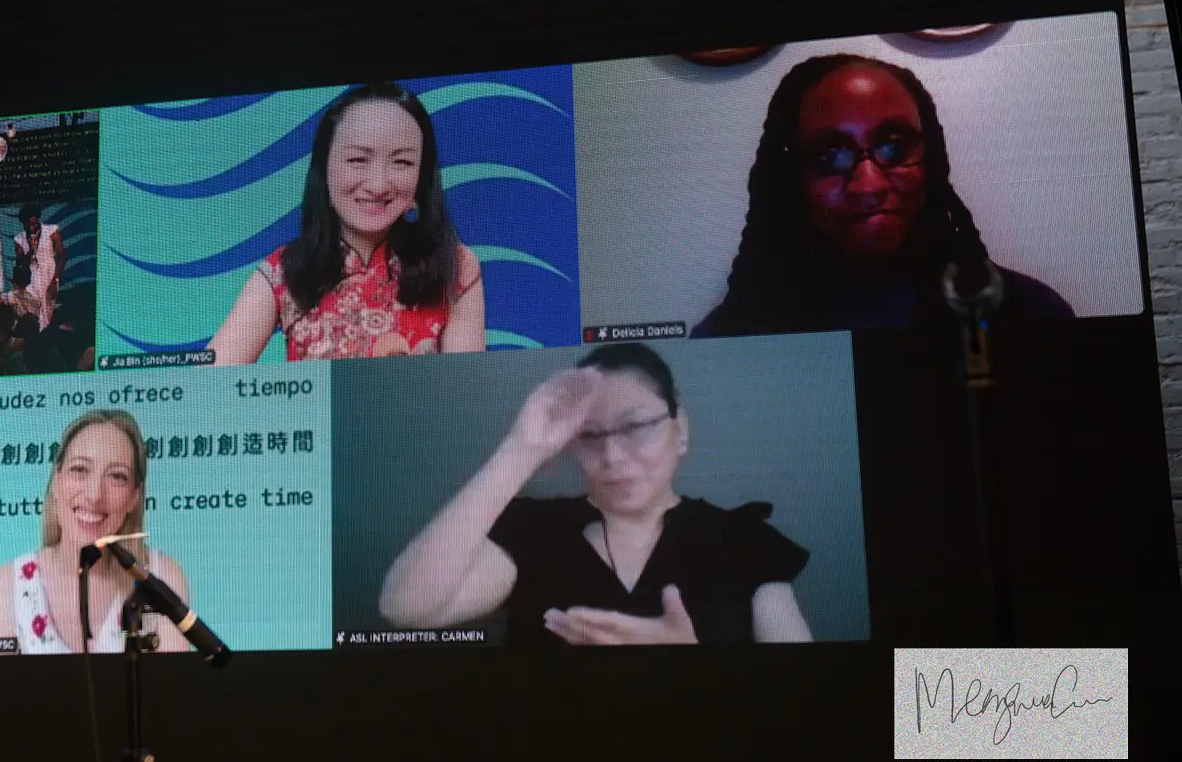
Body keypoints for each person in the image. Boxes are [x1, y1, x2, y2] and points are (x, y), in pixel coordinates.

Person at [378, 343, 813, 646]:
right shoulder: (533, 530)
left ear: (679, 429)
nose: (613, 456)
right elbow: (406, 609)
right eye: (590, 436)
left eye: (636, 427)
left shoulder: (743, 539)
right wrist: (520, 450)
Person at [693, 54, 1073, 338]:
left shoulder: (1029, 314)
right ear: (791, 178)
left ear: (932, 161)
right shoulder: (730, 337)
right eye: (831, 156)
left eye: (894, 148)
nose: (869, 185)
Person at [211, 82, 485, 363]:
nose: (378, 185)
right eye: (357, 160)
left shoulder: (455, 267)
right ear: (324, 171)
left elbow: (468, 395)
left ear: (421, 178)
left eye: (402, 162)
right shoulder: (286, 270)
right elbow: (203, 385)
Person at [0, 410, 193, 654]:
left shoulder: (161, 577)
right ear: (57, 481)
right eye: (79, 470)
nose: (94, 495)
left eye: (116, 476)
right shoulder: (5, 586)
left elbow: (174, 689)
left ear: (134, 496)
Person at [13, 204, 64, 331]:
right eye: (28, 224)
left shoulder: (51, 230)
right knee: (32, 308)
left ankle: (46, 337)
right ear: (23, 223)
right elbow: (20, 263)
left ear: (37, 219)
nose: (32, 227)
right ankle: (34, 334)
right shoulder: (19, 238)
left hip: (49, 273)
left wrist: (55, 280)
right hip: (32, 277)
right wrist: (30, 251)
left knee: (48, 310)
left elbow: (62, 256)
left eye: (34, 223)